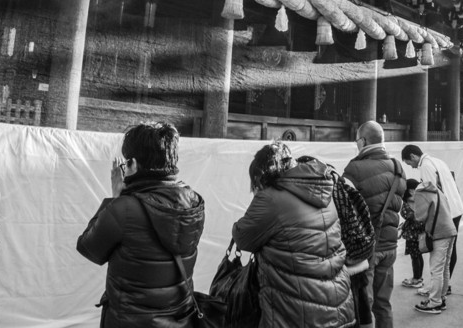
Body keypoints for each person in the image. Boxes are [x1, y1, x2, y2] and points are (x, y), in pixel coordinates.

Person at [77, 122, 204, 328]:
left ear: (133, 164)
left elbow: (88, 248)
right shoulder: (194, 201)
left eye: (126, 163)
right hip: (180, 319)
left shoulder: (125, 209)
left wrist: (115, 197)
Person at [233, 142, 356, 328]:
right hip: (338, 303)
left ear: (262, 175)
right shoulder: (321, 188)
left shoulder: (271, 198)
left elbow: (242, 238)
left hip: (298, 311)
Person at [343, 121, 405, 328]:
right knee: (383, 304)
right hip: (390, 247)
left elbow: (343, 206)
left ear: (363, 141)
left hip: (367, 249)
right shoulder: (398, 167)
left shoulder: (355, 168)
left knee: (363, 305)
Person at [401, 145, 463, 287]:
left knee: (439, 252)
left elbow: (431, 196)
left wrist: (425, 220)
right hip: (456, 209)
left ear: (413, 156)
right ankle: (444, 285)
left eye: (409, 163)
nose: (412, 167)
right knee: (450, 249)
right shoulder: (438, 161)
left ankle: (439, 288)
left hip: (445, 213)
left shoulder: (425, 166)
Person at [411, 166, 456, 314]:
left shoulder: (420, 192)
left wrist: (412, 206)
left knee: (436, 269)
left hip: (439, 234)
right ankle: (441, 299)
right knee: (444, 268)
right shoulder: (438, 190)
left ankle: (435, 303)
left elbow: (420, 216)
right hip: (450, 230)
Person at [399, 179, 426, 289]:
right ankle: (419, 277)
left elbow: (407, 215)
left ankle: (416, 279)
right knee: (418, 256)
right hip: (420, 234)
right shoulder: (421, 201)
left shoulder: (407, 204)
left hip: (412, 235)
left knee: (415, 257)